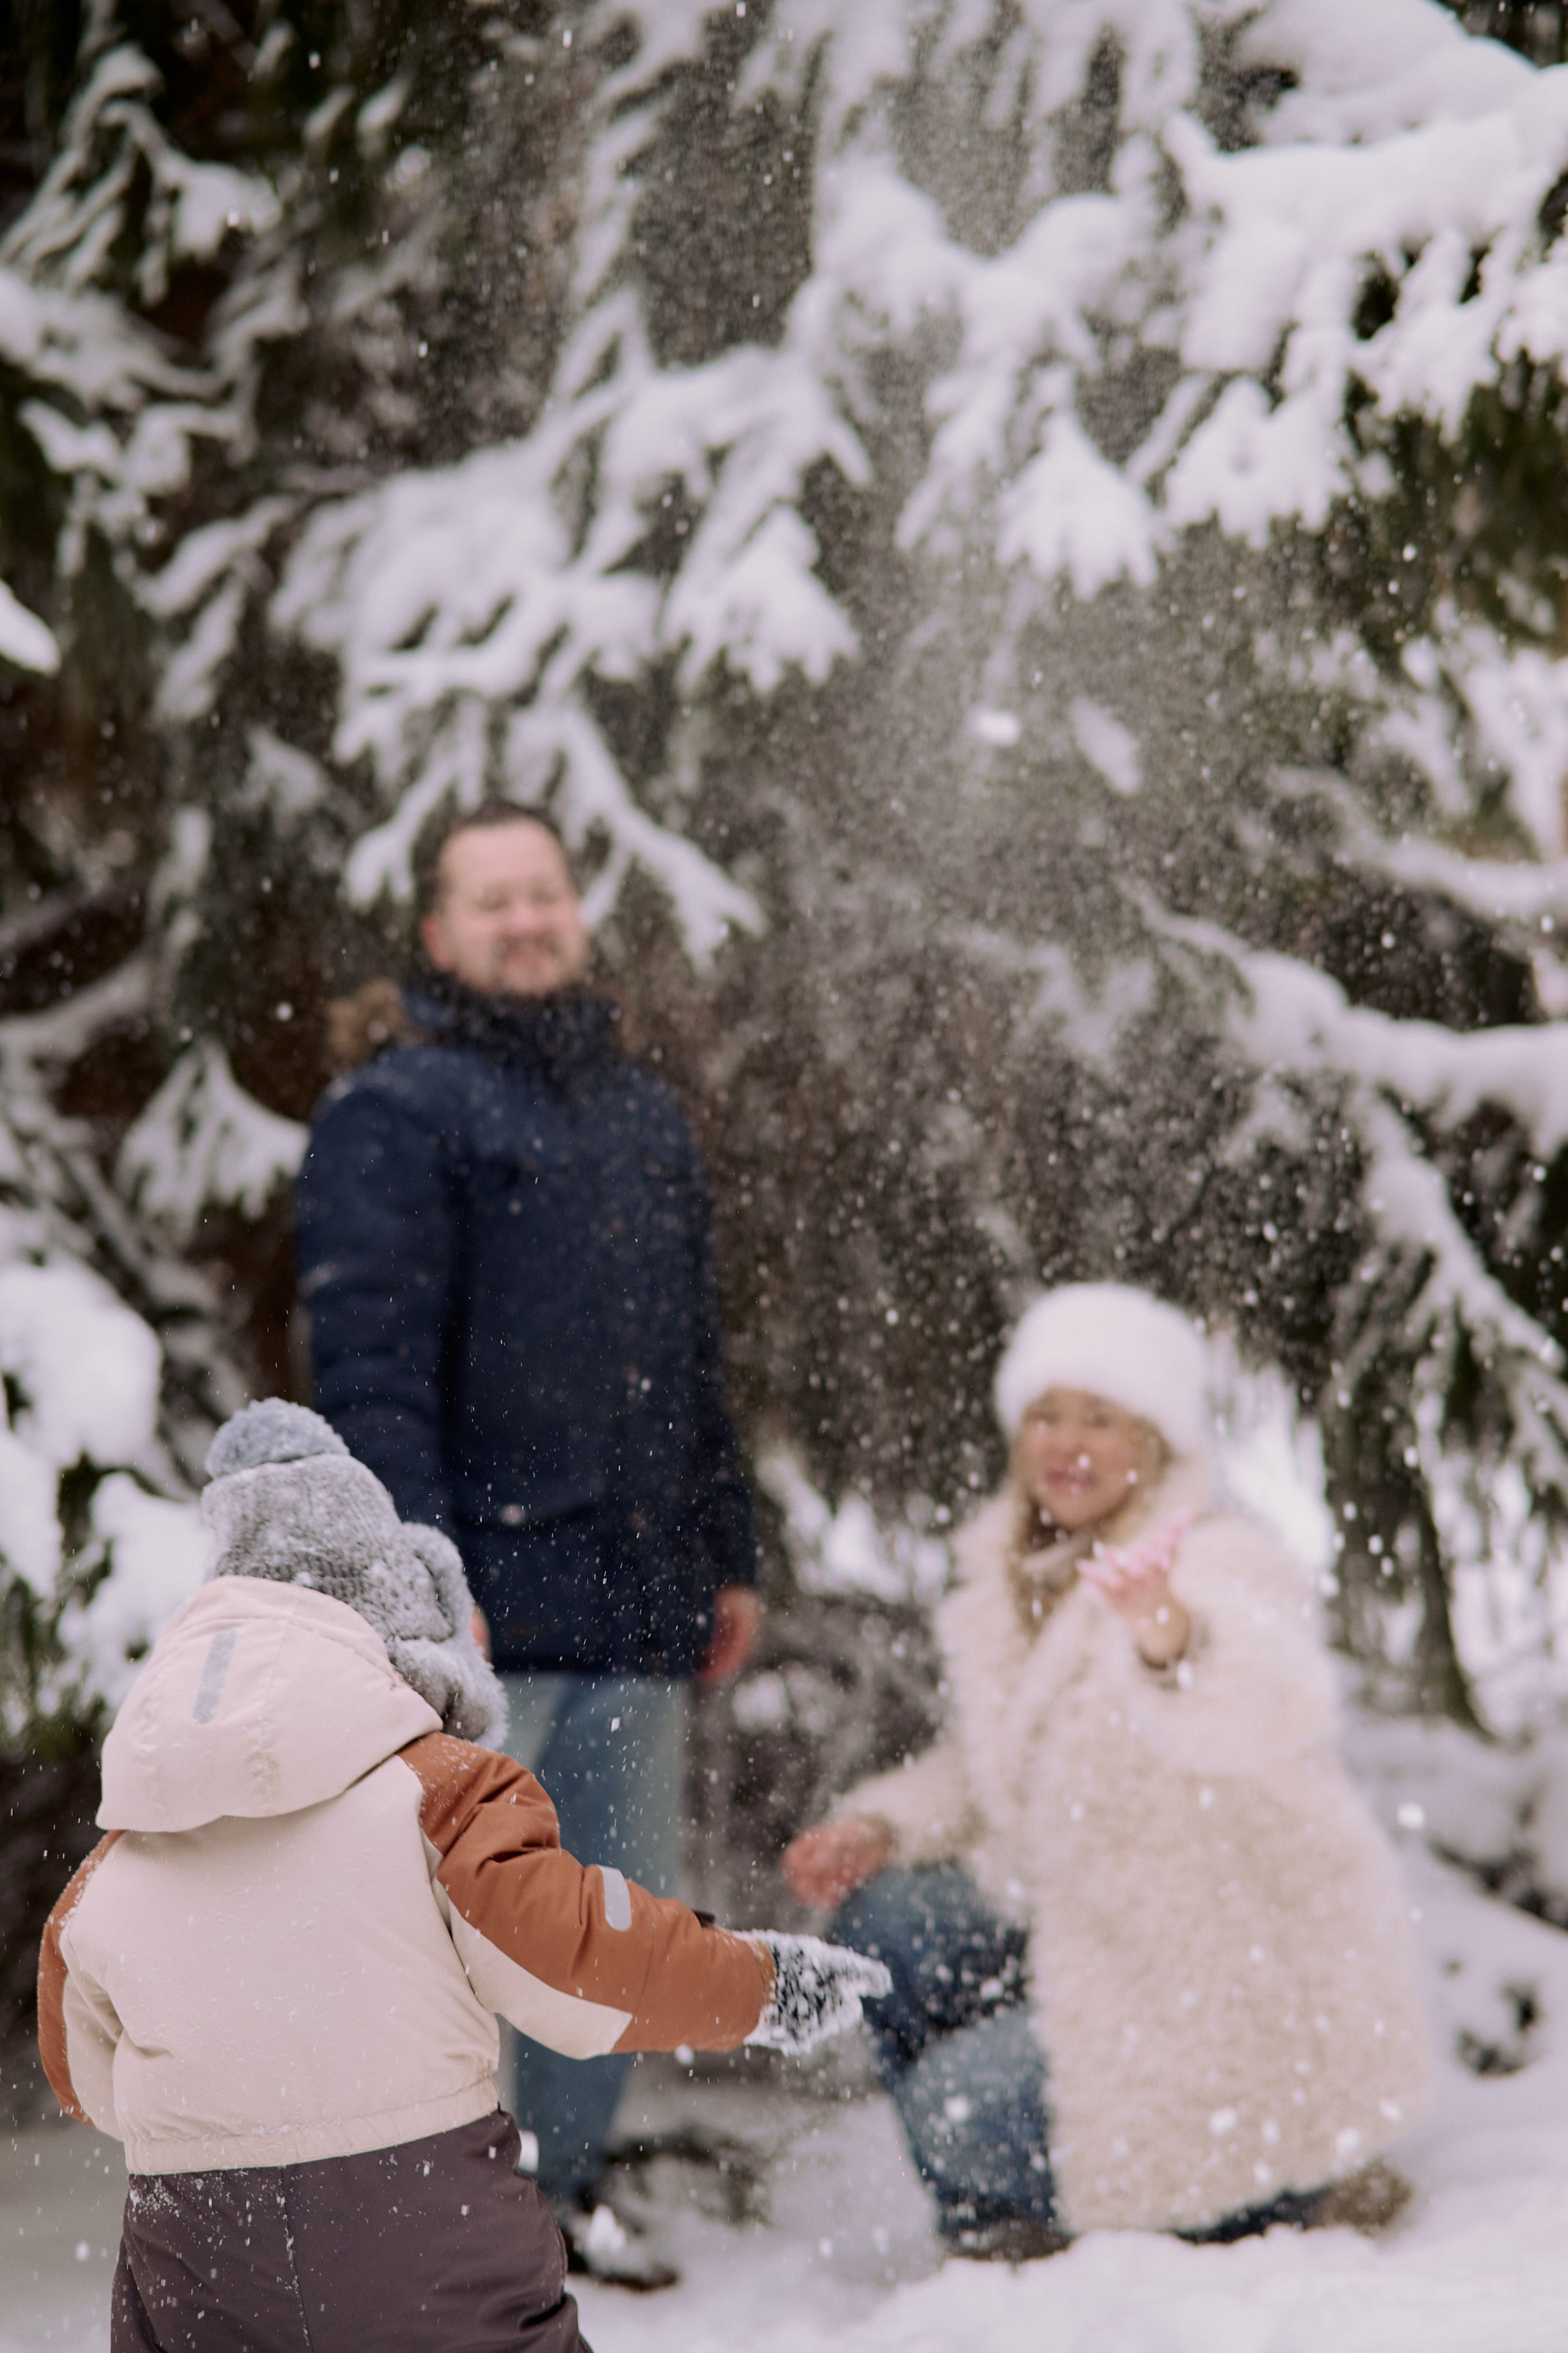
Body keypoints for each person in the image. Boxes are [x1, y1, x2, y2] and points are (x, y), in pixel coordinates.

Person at [37, 1402, 887, 2353]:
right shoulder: (439, 1791)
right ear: (406, 1632)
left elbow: (85, 2075)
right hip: (420, 2230)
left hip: (199, 2245)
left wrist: (230, 2112)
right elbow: (581, 1959)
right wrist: (762, 1980)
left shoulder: (126, 1848)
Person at [293, 801, 760, 2280]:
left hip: (635, 1605)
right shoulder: (395, 1113)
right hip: (486, 1612)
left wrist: (726, 1549)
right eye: (489, 900)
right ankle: (428, 2220)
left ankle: (560, 2190)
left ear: (575, 912)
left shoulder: (641, 1117)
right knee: (438, 1939)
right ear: (438, 935)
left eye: (542, 894)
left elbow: (694, 1359)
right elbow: (369, 1366)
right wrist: (423, 1573)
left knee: (608, 1928)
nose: (522, 920)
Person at [783, 1282, 1431, 2259]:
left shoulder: (1214, 1562)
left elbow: (1267, 1702)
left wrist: (1170, 1638)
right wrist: (880, 1824)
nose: (1065, 1441)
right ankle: (1011, 2210)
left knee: (956, 2110)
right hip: (1096, 1927)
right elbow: (1001, 1759)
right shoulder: (1019, 1575)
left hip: (1225, 1978)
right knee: (887, 1924)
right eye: (1045, 1413)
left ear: (1157, 1441)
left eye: (1101, 1416)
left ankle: (1268, 2185)